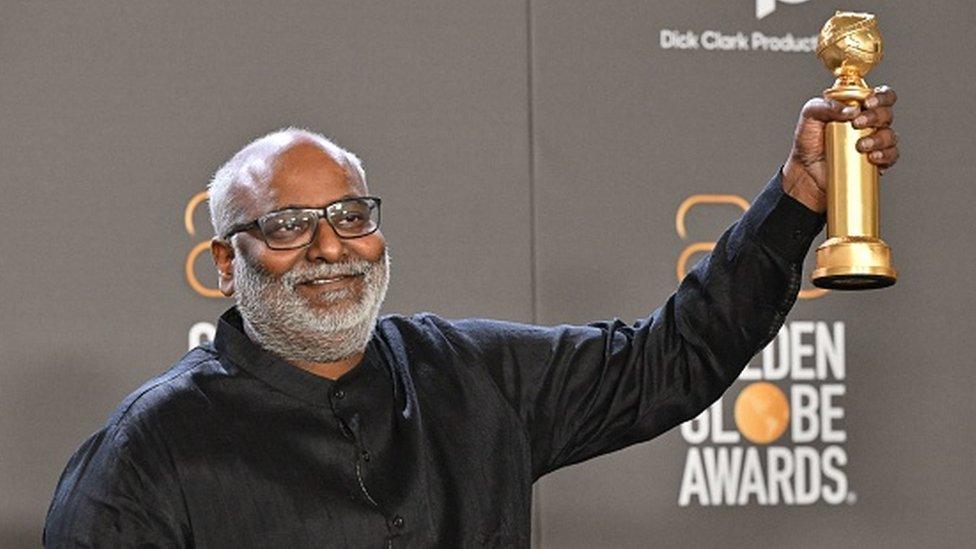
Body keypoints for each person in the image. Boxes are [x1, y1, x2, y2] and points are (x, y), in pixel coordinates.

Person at [43, 88, 900, 548]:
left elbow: (668, 358)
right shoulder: (144, 459)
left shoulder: (473, 375)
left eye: (351, 216)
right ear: (227, 263)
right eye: (284, 225)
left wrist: (798, 200)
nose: (329, 248)